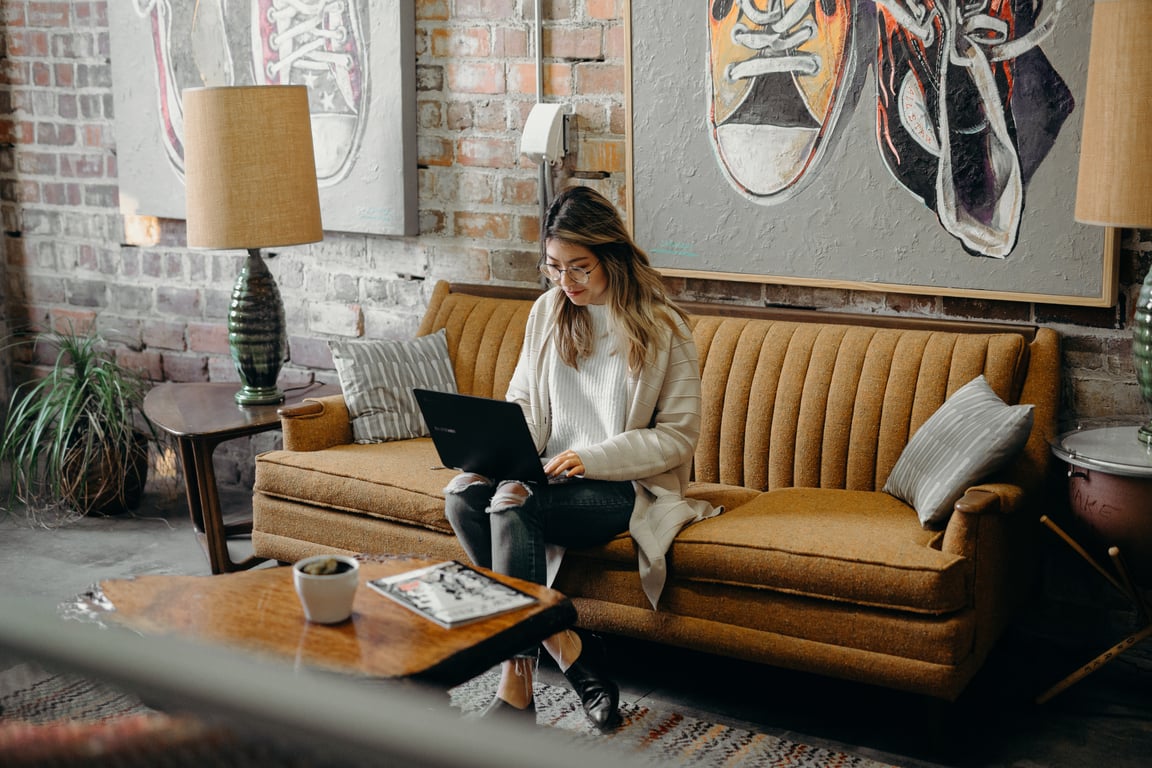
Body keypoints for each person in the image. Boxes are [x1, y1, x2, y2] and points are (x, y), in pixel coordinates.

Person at [443, 185, 720, 731]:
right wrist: (498, 449)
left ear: (611, 256)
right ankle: (568, 644)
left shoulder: (664, 328)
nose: (565, 283)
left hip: (621, 485)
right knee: (464, 495)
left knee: (512, 503)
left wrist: (590, 457)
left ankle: (515, 690)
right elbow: (522, 399)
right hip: (545, 470)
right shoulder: (548, 312)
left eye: (579, 269)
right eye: (553, 268)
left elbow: (678, 437)